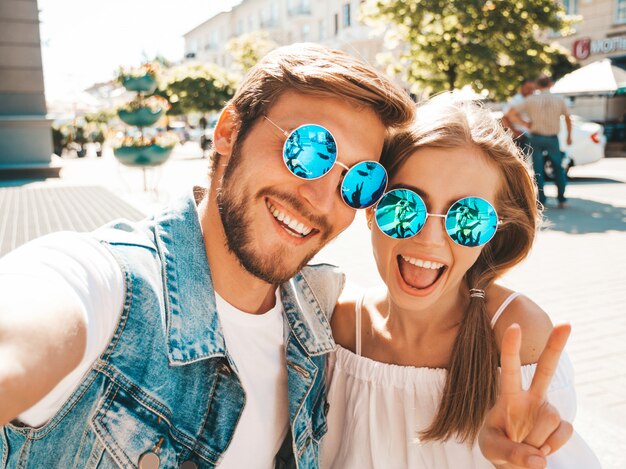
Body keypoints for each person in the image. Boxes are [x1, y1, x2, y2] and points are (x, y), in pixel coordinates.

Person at [0, 44, 575, 469]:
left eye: (358, 179)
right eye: (307, 150)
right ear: (227, 132)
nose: (321, 196)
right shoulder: (107, 284)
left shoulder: (312, 323)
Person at [321, 96, 600, 469]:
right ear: (370, 207)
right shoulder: (338, 329)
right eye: (403, 206)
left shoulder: (516, 334)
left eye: (467, 217)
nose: (430, 239)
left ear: (495, 231)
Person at [506, 75, 572, 209]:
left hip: (536, 136)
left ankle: (542, 200)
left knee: (538, 169)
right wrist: (569, 136)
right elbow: (568, 118)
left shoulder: (531, 100)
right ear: (550, 84)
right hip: (553, 137)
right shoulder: (559, 99)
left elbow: (510, 114)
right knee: (558, 168)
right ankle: (561, 199)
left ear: (537, 85)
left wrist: (524, 123)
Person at [501, 79, 535, 156]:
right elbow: (504, 118)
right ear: (522, 88)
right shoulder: (516, 100)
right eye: (528, 88)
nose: (530, 90)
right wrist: (515, 133)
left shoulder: (529, 99)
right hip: (519, 137)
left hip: (527, 136)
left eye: (532, 88)